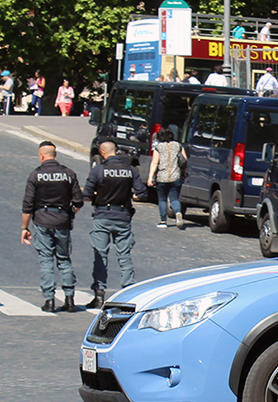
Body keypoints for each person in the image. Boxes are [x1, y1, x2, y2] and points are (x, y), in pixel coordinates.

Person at [83, 141, 149, 309]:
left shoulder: (98, 170)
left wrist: (98, 194)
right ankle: (128, 292)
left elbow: (87, 195)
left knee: (100, 255)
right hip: (123, 216)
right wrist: (129, 195)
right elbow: (142, 194)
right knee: (124, 256)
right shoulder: (130, 170)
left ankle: (99, 295)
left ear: (103, 152)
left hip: (102, 216)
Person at [21, 141, 84, 312]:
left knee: (46, 260)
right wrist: (69, 214)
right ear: (55, 155)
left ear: (41, 155)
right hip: (62, 220)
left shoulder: (36, 175)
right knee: (64, 260)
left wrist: (24, 228)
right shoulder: (69, 174)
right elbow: (79, 201)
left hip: (42, 220)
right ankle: (70, 299)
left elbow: (28, 204)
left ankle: (49, 300)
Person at [146, 127, 187, 229]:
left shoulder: (158, 147)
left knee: (162, 199)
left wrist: (150, 177)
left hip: (162, 177)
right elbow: (184, 161)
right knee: (174, 198)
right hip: (176, 176)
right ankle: (178, 212)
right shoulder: (178, 146)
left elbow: (155, 162)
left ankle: (163, 221)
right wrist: (184, 173)